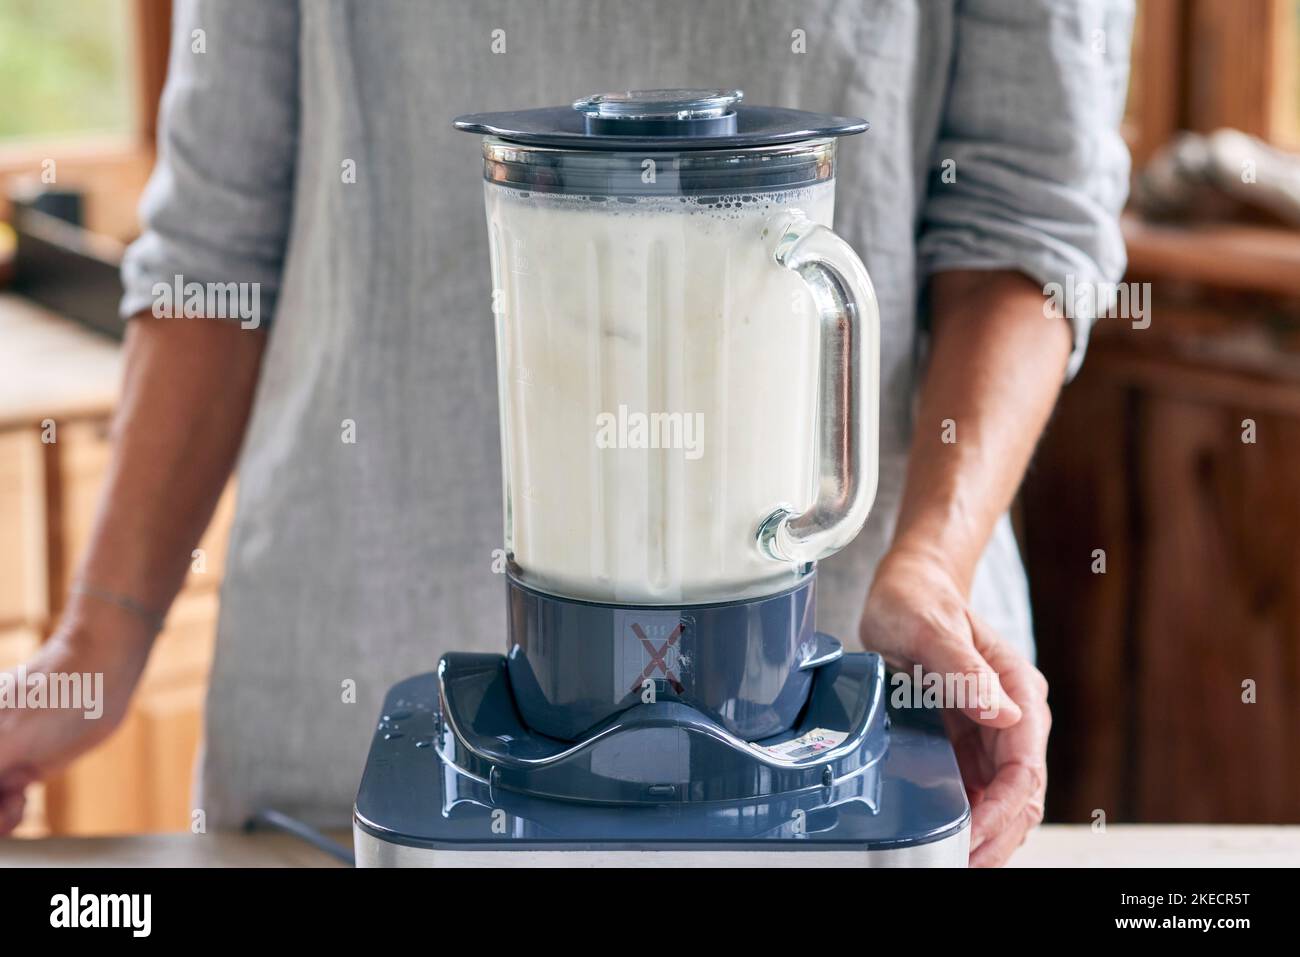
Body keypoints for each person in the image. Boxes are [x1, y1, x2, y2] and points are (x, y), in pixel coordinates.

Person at [0, 0, 1132, 866]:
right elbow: (213, 236)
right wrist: (98, 641)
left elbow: (1026, 215)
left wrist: (933, 561)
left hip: (844, 696)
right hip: (343, 710)